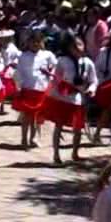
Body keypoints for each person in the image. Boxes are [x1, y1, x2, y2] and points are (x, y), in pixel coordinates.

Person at [43, 36, 98, 165]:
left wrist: (91, 89)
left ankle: (75, 152)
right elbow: (56, 78)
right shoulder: (62, 61)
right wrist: (60, 87)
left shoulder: (88, 62)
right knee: (59, 125)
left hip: (79, 99)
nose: (78, 48)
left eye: (80, 44)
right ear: (69, 48)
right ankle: (56, 154)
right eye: (75, 45)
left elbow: (93, 80)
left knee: (78, 128)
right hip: (63, 99)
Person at [13, 31, 55, 149]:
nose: (35, 44)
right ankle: (24, 138)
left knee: (38, 116)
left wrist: (50, 72)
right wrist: (18, 86)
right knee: (27, 116)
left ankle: (34, 137)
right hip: (28, 88)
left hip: (42, 89)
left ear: (42, 42)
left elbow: (55, 68)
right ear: (29, 42)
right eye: (33, 42)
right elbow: (18, 72)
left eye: (38, 42)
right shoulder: (23, 56)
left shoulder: (47, 55)